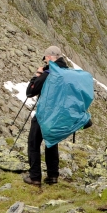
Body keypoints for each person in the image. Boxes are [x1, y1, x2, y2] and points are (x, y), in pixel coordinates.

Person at [23, 45, 91, 186]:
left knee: (33, 143)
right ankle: (53, 176)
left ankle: (35, 177)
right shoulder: (67, 73)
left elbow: (30, 92)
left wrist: (37, 75)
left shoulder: (49, 73)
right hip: (59, 116)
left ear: (49, 58)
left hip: (45, 115)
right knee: (51, 142)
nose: (45, 62)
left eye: (45, 59)